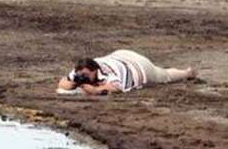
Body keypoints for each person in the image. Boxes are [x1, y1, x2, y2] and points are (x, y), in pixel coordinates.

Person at [58, 50, 197, 95]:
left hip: (138, 68)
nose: (83, 77)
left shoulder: (105, 73)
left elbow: (115, 87)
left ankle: (187, 73)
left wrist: (95, 90)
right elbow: (62, 82)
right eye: (82, 75)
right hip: (119, 55)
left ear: (95, 71)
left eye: (86, 75)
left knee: (163, 75)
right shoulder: (80, 71)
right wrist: (72, 84)